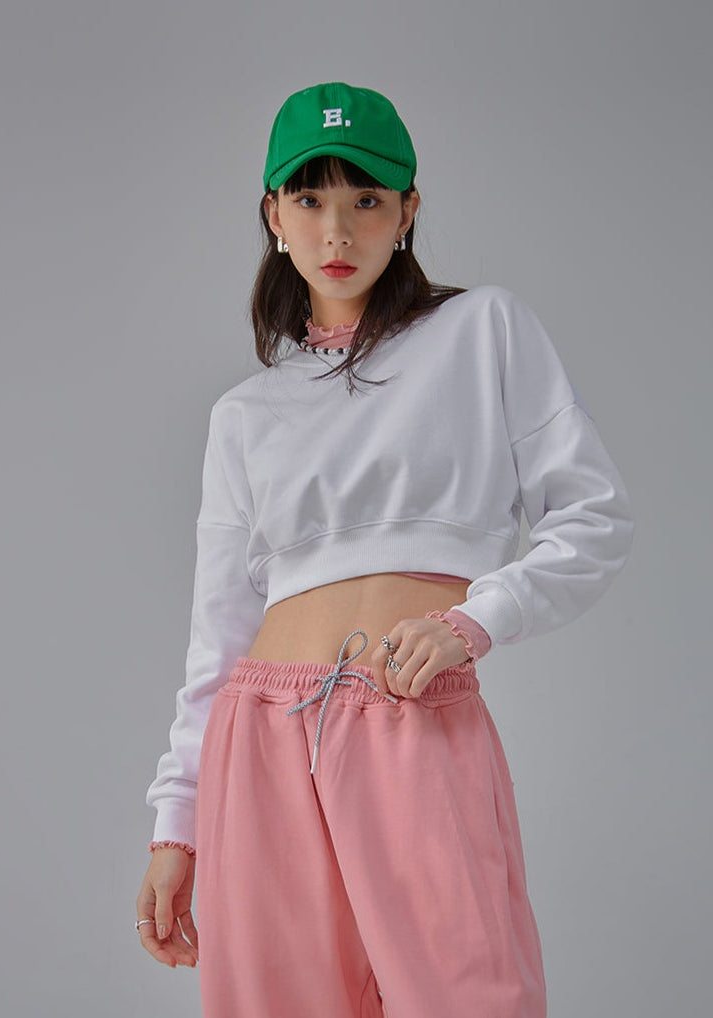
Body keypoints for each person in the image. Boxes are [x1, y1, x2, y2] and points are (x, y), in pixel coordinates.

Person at [135, 81, 634, 1018]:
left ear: (408, 211)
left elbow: (595, 516)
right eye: (309, 199)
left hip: (411, 714)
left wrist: (474, 621)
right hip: (259, 741)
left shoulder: (482, 331)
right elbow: (217, 637)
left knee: (472, 996)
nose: (337, 231)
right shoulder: (245, 414)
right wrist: (177, 825)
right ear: (274, 216)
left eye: (366, 199)